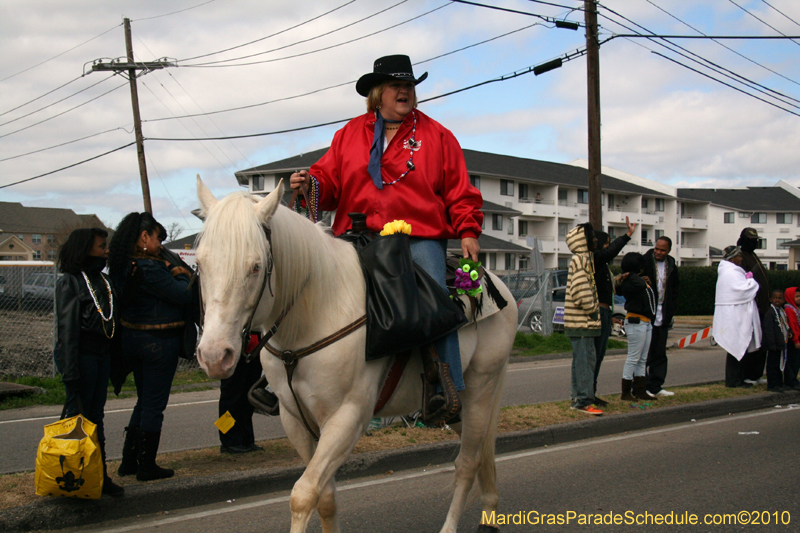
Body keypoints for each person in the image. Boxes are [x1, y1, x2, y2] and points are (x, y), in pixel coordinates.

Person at [287, 54, 483, 422]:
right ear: (378, 93)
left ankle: (447, 387)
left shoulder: (437, 136)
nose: (405, 91)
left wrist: (468, 229)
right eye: (397, 85)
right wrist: (309, 184)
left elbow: (459, 190)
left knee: (434, 300)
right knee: (308, 286)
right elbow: (327, 183)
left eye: (409, 85)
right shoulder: (348, 134)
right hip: (357, 234)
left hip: (418, 235)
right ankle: (283, 377)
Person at [108, 212, 193, 481]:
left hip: (132, 339)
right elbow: (184, 294)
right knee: (154, 405)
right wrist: (180, 271)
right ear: (144, 237)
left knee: (144, 402)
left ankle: (128, 461)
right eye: (157, 238)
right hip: (157, 342)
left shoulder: (123, 264)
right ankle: (147, 465)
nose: (160, 244)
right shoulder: (152, 267)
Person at [55, 227, 124, 497]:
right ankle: (72, 477)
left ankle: (99, 475)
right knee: (77, 419)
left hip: (101, 357)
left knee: (96, 419)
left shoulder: (104, 282)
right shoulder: (70, 282)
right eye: (100, 246)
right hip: (82, 358)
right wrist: (70, 372)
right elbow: (67, 331)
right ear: (85, 250)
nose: (106, 251)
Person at [591, 217, 636, 406]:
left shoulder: (603, 267)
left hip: (606, 312)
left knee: (600, 356)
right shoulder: (595, 259)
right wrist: (626, 236)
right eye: (606, 244)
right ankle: (587, 393)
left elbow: (607, 287)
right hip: (598, 312)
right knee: (593, 356)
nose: (608, 247)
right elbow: (609, 253)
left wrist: (619, 279)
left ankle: (591, 392)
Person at [564, 223, 603, 415]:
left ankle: (577, 397)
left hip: (579, 322)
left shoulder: (581, 259)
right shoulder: (581, 260)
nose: (596, 240)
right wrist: (593, 310)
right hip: (583, 322)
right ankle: (584, 402)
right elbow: (580, 290)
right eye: (592, 237)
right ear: (582, 241)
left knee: (580, 361)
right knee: (586, 361)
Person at [713, 246, 761, 388]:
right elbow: (743, 290)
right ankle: (733, 381)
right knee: (735, 347)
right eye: (739, 256)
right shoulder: (730, 272)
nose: (741, 259)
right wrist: (751, 281)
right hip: (733, 316)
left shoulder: (731, 271)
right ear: (732, 258)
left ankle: (738, 379)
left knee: (740, 348)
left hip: (735, 313)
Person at [614, 253, 656, 401]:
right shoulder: (630, 281)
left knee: (642, 358)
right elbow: (639, 285)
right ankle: (625, 392)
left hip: (646, 321)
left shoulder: (636, 279)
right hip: (635, 321)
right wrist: (634, 275)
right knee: (633, 357)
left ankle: (640, 390)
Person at [642, 236, 679, 397]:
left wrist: (671, 310)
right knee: (645, 353)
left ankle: (656, 385)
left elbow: (675, 289)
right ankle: (641, 386)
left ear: (668, 251)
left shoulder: (671, 265)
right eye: (657, 248)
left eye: (662, 250)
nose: (658, 252)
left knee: (659, 352)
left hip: (663, 314)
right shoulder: (645, 262)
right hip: (647, 314)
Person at [218, 334, 264, 454]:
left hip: (254, 347)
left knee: (248, 397)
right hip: (234, 347)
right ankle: (228, 441)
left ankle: (246, 439)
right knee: (230, 398)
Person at [737, 228, 770, 385]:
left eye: (755, 240)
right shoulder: (741, 257)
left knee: (761, 343)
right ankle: (747, 375)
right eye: (750, 239)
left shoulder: (753, 255)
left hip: (763, 307)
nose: (753, 243)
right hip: (751, 308)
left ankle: (756, 374)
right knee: (750, 343)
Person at [762, 289, 791, 392]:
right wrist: (771, 343)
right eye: (775, 298)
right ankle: (772, 384)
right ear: (771, 299)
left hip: (780, 344)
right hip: (773, 345)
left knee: (779, 365)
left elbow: (784, 325)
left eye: (780, 298)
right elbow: (768, 329)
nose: (777, 300)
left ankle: (779, 383)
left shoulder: (781, 312)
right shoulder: (770, 313)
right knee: (772, 365)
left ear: (783, 300)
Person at [782, 287, 800, 391]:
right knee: (792, 361)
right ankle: (790, 380)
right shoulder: (789, 309)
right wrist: (796, 340)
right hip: (793, 340)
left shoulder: (796, 308)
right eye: (797, 296)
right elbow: (793, 326)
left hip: (797, 338)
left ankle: (793, 379)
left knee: (797, 361)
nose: (799, 298)